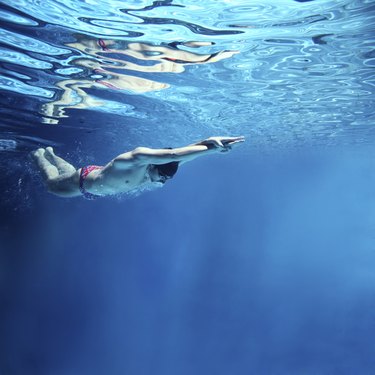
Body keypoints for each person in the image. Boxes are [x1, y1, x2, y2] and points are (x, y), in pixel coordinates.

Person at [31, 136, 245, 199]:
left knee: (67, 173)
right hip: (84, 182)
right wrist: (211, 150)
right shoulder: (135, 159)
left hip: (96, 183)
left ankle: (51, 153)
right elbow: (172, 154)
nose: (157, 182)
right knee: (52, 185)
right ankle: (39, 155)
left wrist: (209, 144)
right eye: (159, 177)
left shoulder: (154, 171)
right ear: (153, 165)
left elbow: (181, 156)